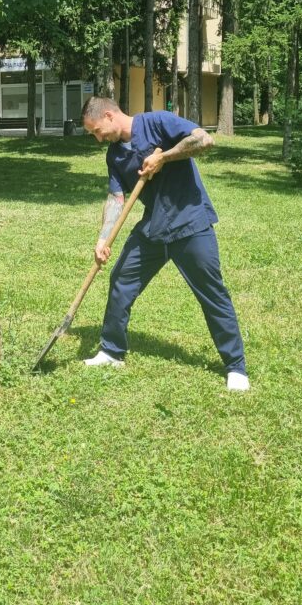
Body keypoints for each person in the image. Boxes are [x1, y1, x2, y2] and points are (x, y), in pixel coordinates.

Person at [80, 95, 249, 391]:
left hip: (190, 222)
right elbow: (116, 198)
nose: (98, 138)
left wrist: (164, 157)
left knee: (212, 292)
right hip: (153, 228)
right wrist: (103, 238)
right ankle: (112, 351)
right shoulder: (115, 155)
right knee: (121, 279)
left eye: (96, 130)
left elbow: (204, 140)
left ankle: (236, 367)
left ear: (108, 116)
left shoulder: (157, 122)